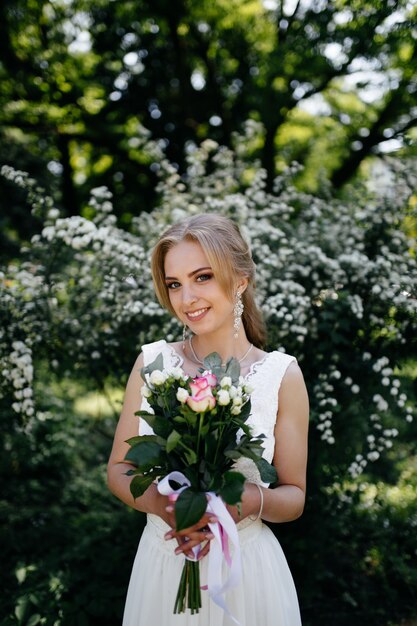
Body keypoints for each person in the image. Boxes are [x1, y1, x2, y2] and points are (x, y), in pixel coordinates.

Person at [107, 213, 309, 625]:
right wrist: (165, 506)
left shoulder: (281, 375)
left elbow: (295, 496)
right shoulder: (153, 363)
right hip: (163, 564)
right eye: (175, 284)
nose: (187, 299)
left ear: (240, 279)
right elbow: (118, 469)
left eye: (202, 277)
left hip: (246, 571)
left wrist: (246, 501)